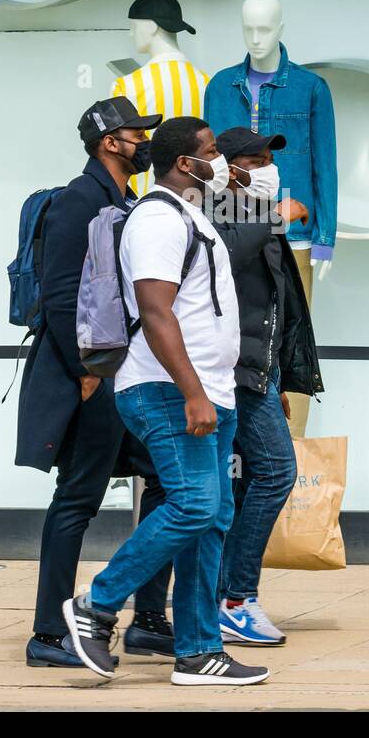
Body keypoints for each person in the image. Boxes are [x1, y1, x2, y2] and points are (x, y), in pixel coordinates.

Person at [63, 117, 269, 685]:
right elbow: (156, 312)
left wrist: (211, 392)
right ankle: (96, 604)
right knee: (196, 506)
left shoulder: (190, 215)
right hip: (169, 391)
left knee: (211, 520)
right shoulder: (156, 218)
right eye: (211, 152)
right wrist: (193, 393)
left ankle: (199, 652)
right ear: (186, 163)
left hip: (207, 391)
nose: (222, 161)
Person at [14, 97, 175, 667]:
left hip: (123, 377)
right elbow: (61, 296)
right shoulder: (80, 201)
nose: (145, 144)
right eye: (138, 134)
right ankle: (49, 634)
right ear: (111, 142)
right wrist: (85, 375)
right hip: (93, 378)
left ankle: (150, 621)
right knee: (77, 500)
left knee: (168, 484)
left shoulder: (125, 201)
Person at [209, 127, 324, 646]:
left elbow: (274, 310)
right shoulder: (216, 215)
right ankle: (234, 599)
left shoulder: (257, 217)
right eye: (253, 161)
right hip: (228, 374)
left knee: (234, 486)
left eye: (267, 159)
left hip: (255, 373)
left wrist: (277, 373)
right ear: (228, 170)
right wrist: (278, 216)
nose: (265, 169)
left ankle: (213, 599)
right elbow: (224, 261)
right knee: (276, 472)